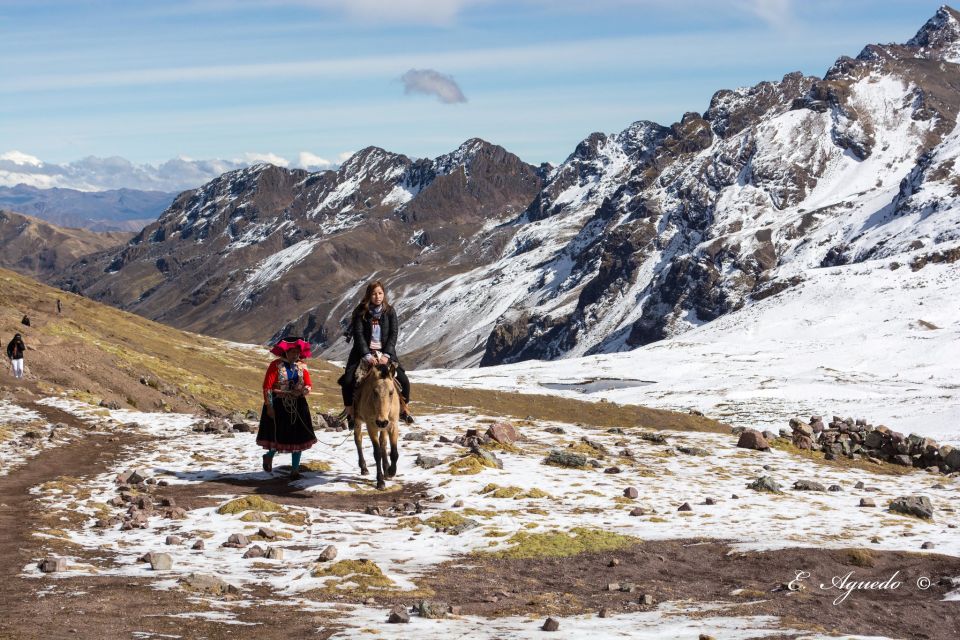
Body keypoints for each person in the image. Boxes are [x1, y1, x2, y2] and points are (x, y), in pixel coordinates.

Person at [338, 280, 414, 424]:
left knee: (404, 380)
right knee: (348, 380)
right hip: (362, 353)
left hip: (385, 353)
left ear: (383, 294)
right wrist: (367, 355)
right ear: (368, 295)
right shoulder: (360, 312)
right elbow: (358, 335)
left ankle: (404, 409)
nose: (377, 296)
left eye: (380, 293)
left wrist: (386, 355)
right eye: (374, 294)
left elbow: (393, 334)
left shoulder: (390, 312)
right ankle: (350, 412)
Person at [255, 337, 317, 479]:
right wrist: (269, 406)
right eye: (293, 352)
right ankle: (269, 455)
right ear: (286, 352)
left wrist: (303, 391)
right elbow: (267, 387)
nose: (295, 355)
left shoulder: (302, 366)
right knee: (280, 436)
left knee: (299, 439)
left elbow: (308, 384)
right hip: (279, 404)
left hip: (298, 404)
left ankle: (295, 470)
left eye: (297, 352)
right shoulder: (275, 365)